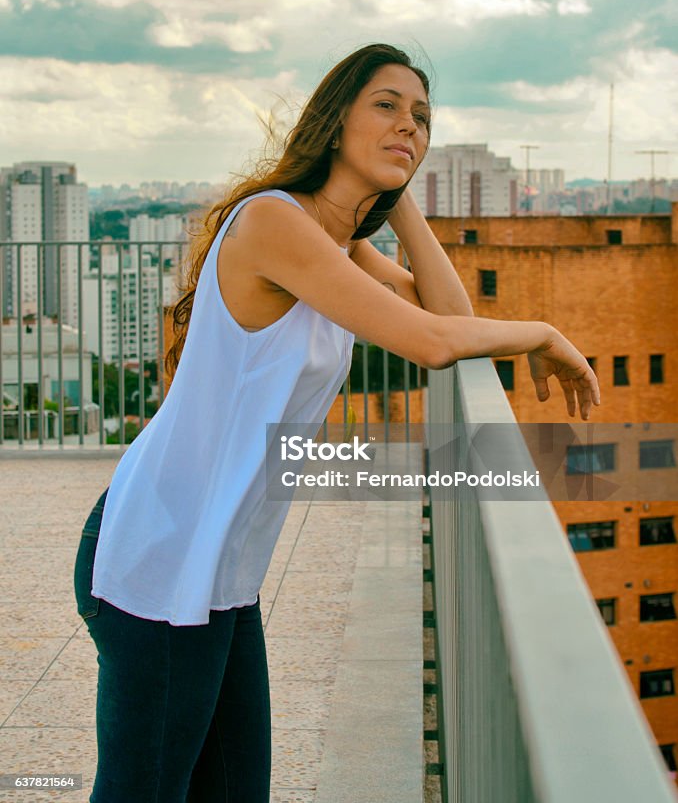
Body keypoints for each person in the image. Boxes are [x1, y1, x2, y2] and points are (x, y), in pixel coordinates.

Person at [73, 43, 600, 802]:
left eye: (421, 118)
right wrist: (543, 332)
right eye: (385, 107)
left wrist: (398, 188)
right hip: (161, 554)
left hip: (223, 567)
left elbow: (450, 314)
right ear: (332, 124)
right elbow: (430, 342)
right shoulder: (274, 225)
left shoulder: (339, 240)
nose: (408, 126)